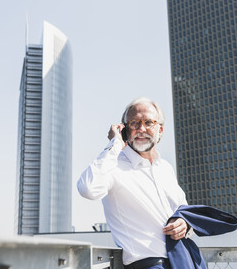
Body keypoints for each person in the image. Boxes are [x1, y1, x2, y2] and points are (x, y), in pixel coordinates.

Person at [77, 97, 190, 269]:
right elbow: (88, 189)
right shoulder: (113, 165)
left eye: (148, 122)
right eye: (134, 123)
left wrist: (184, 223)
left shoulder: (165, 167)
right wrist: (114, 144)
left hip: (184, 261)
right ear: (124, 130)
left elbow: (184, 208)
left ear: (160, 130)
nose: (141, 129)